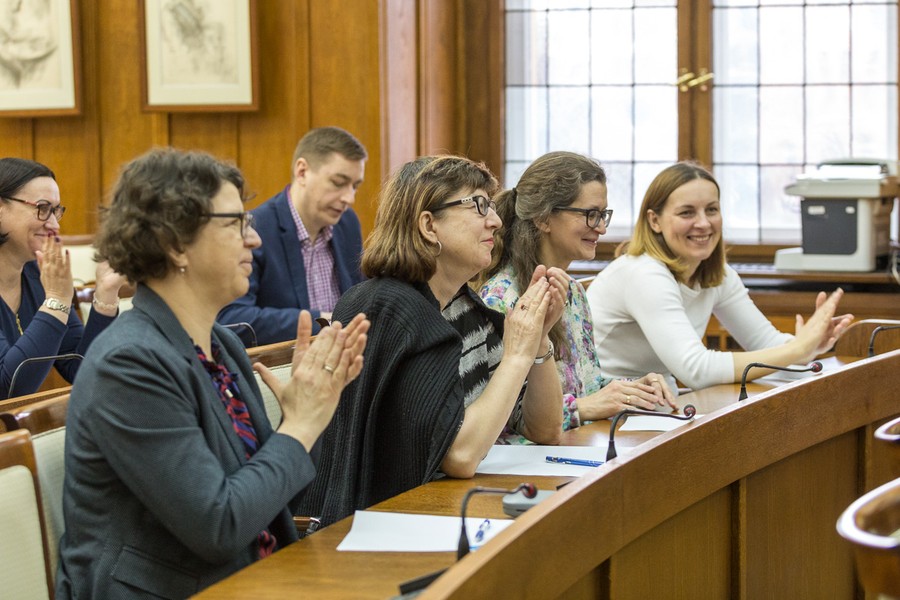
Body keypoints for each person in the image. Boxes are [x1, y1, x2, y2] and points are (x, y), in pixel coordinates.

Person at [56, 148, 369, 599]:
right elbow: (219, 526)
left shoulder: (221, 345)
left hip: (249, 579)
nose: (255, 241)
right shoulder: (128, 364)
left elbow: (270, 502)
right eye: (235, 224)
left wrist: (312, 415)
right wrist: (299, 427)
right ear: (174, 242)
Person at [298, 155, 566, 527]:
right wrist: (517, 354)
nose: (496, 220)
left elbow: (543, 429)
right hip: (371, 527)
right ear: (428, 225)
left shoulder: (463, 307)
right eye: (478, 205)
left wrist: (538, 342)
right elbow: (459, 454)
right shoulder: (386, 309)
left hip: (434, 511)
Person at [586, 160, 853, 392]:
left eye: (711, 210)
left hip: (655, 406)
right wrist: (796, 350)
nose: (703, 223)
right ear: (654, 221)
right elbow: (696, 370)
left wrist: (810, 345)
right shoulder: (643, 274)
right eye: (687, 212)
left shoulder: (717, 275)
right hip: (602, 413)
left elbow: (768, 346)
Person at [480, 151, 676, 428]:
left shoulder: (573, 291)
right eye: (591, 215)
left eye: (603, 215)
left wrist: (632, 388)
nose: (601, 228)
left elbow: (587, 386)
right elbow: (499, 419)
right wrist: (584, 407)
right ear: (544, 218)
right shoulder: (499, 299)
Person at [218, 126, 367, 345]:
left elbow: (359, 297)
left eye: (355, 186)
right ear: (302, 171)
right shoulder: (255, 230)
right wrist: (322, 322)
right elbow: (233, 320)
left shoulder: (347, 222)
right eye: (338, 183)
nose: (349, 198)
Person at [0, 157, 125, 398]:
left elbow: (81, 369)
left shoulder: (37, 273)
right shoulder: (50, 282)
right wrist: (56, 300)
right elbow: (8, 388)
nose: (54, 225)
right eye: (42, 208)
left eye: (56, 211)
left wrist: (106, 295)